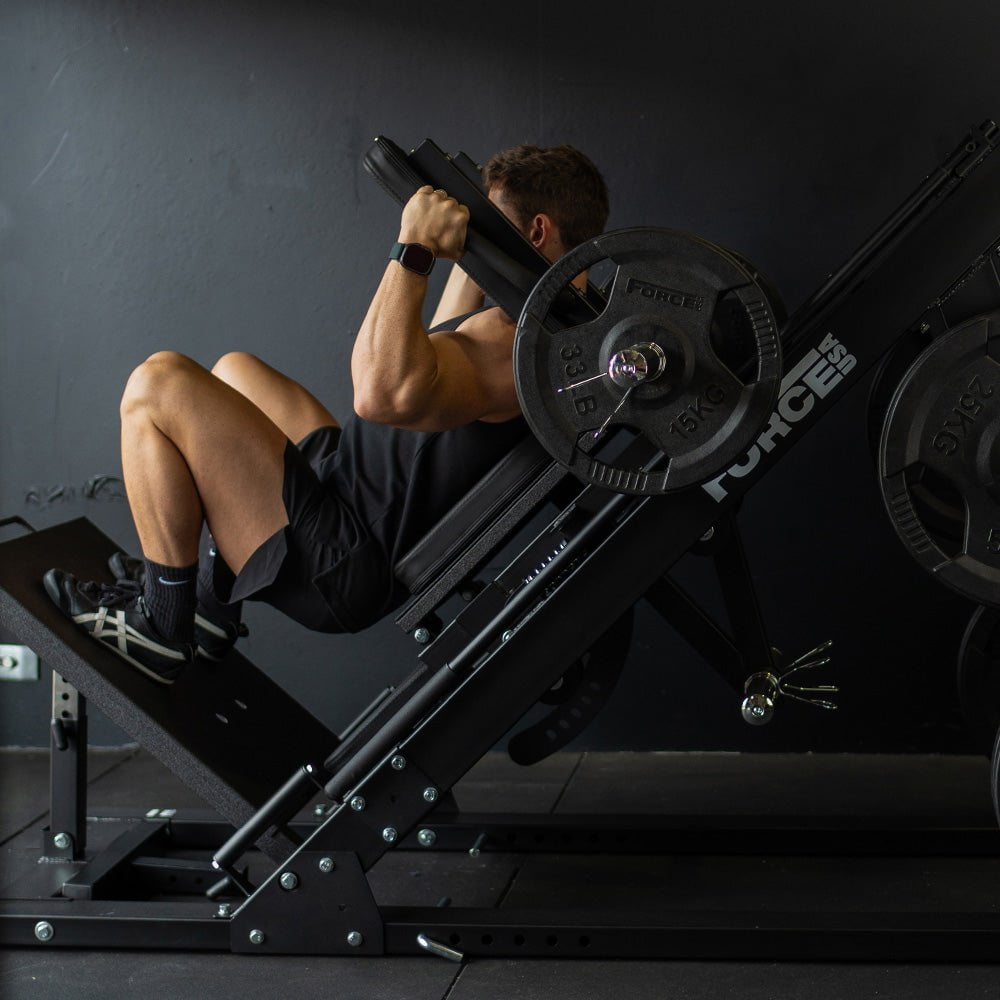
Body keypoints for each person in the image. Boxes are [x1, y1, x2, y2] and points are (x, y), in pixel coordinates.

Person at [43, 143, 610, 683]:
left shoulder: (514, 345)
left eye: (494, 217)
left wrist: (414, 249)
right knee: (236, 370)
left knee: (156, 384)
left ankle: (162, 624)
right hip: (348, 489)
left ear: (537, 231)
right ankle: (211, 605)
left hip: (339, 556)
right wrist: (470, 247)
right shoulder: (544, 326)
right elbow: (440, 347)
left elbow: (377, 394)